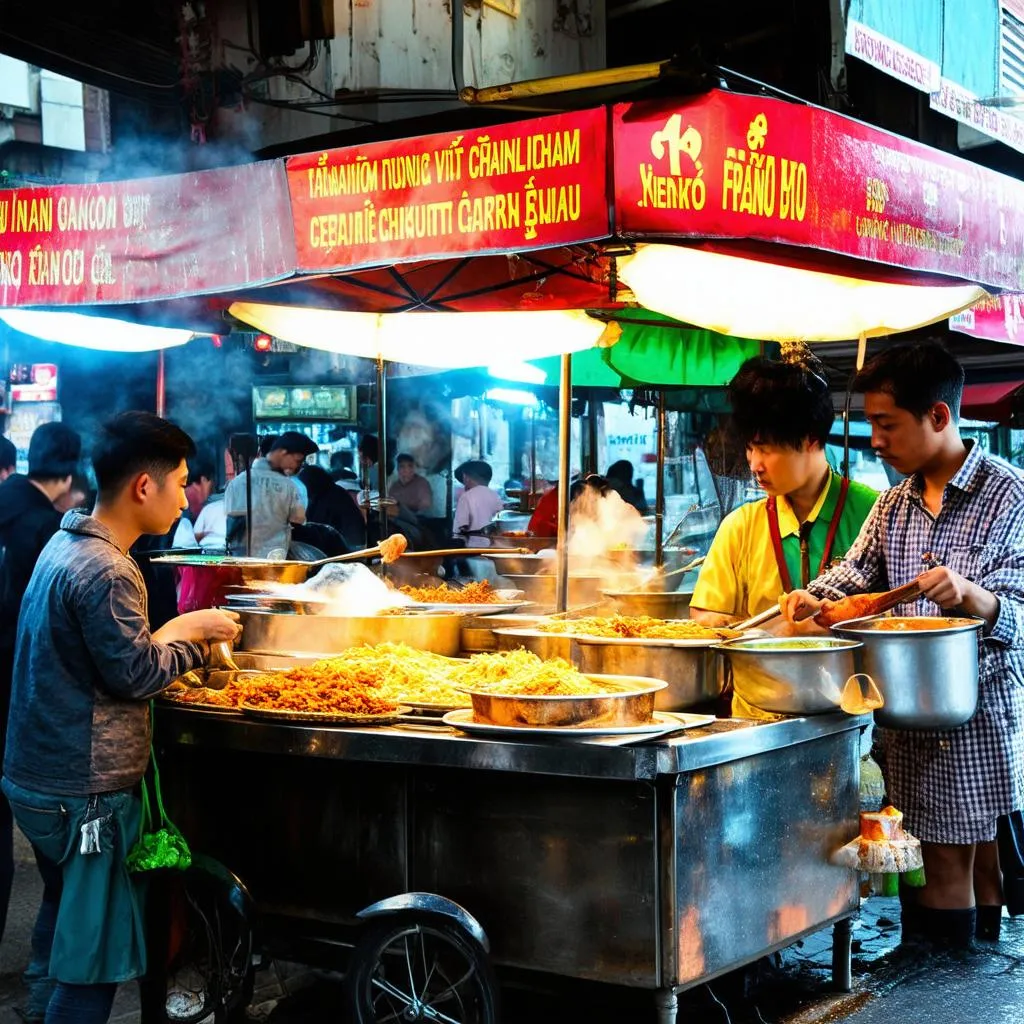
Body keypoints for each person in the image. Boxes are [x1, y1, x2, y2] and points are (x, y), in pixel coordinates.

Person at [782, 343, 1024, 949]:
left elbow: (1019, 615)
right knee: (937, 854)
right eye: (870, 423)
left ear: (938, 417)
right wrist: (812, 597)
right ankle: (969, 976)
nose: (876, 439)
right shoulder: (893, 505)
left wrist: (974, 598)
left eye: (885, 423)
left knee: (949, 859)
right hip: (906, 715)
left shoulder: (1009, 496)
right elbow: (855, 574)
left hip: (977, 713)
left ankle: (943, 987)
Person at [1, 411, 240, 1024]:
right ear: (144, 486)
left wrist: (177, 630)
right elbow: (134, 675)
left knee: (60, 926)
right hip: (85, 798)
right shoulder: (109, 568)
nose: (187, 494)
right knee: (94, 964)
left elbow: (107, 657)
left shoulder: (67, 541)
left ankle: (33, 1012)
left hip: (36, 778)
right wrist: (196, 639)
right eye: (181, 480)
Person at [691, 355, 877, 631]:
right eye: (750, 448)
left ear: (810, 439)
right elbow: (705, 616)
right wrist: (756, 633)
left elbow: (900, 615)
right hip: (757, 674)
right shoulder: (740, 526)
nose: (755, 464)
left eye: (765, 449)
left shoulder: (875, 513)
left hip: (850, 675)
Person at [0, 422, 81, 952]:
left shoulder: (8, 505)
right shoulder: (45, 530)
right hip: (15, 689)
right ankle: (45, 965)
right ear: (72, 470)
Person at [223, 431, 317, 558]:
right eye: (298, 461)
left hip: (240, 558)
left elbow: (231, 523)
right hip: (274, 559)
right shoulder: (289, 485)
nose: (298, 466)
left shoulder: (235, 483)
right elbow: (298, 521)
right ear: (283, 454)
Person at [452, 460, 504, 545]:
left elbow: (461, 526)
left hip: (474, 546)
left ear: (465, 477)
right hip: (494, 545)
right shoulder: (495, 496)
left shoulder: (466, 496)